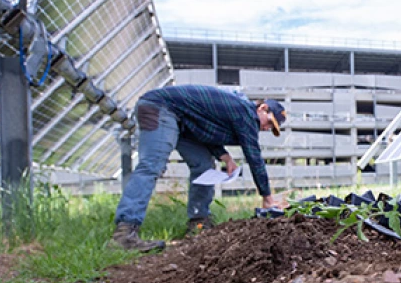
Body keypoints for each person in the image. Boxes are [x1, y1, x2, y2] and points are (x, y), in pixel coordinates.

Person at [111, 84, 287, 251]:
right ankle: (124, 233)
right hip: (160, 108)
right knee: (151, 166)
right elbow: (254, 157)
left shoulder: (237, 111)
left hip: (183, 123)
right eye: (270, 123)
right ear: (262, 108)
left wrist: (224, 157)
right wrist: (267, 197)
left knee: (204, 166)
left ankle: (199, 222)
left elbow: (205, 127)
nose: (266, 128)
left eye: (272, 129)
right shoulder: (246, 113)